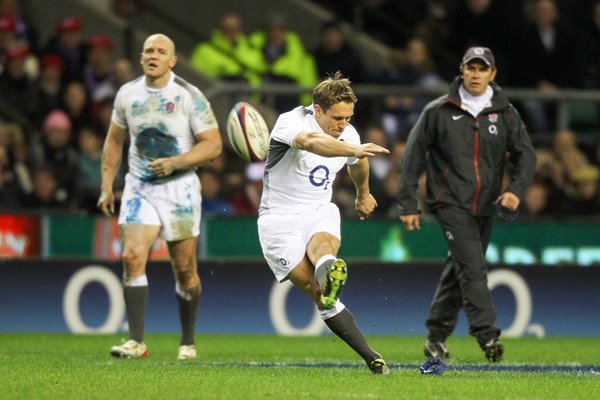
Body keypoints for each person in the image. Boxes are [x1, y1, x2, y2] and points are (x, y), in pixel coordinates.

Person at [397, 47, 536, 362]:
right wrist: (408, 203)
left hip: (486, 205)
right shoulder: (437, 110)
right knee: (472, 268)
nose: (475, 74)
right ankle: (487, 336)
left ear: (492, 74)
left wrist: (515, 190)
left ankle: (436, 336)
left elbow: (526, 154)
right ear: (462, 70)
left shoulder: (505, 113)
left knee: (459, 269)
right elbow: (412, 157)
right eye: (470, 68)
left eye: (481, 68)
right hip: (449, 202)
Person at [97, 33, 222, 359]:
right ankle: (136, 341)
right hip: (140, 187)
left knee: (185, 270)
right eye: (148, 51)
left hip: (179, 190)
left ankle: (188, 340)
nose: (153, 55)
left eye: (160, 51)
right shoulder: (128, 94)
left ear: (172, 60)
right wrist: (107, 185)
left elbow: (213, 144)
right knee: (132, 256)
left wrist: (176, 162)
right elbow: (114, 141)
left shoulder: (188, 95)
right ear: (141, 58)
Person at [257, 71, 391, 374]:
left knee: (324, 247)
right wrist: (353, 149)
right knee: (320, 295)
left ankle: (374, 360)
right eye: (337, 118)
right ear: (317, 109)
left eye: (348, 118)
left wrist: (363, 194)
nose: (343, 125)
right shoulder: (290, 122)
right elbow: (312, 143)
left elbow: (359, 163)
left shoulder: (349, 134)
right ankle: (367, 350)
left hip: (318, 210)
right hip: (278, 220)